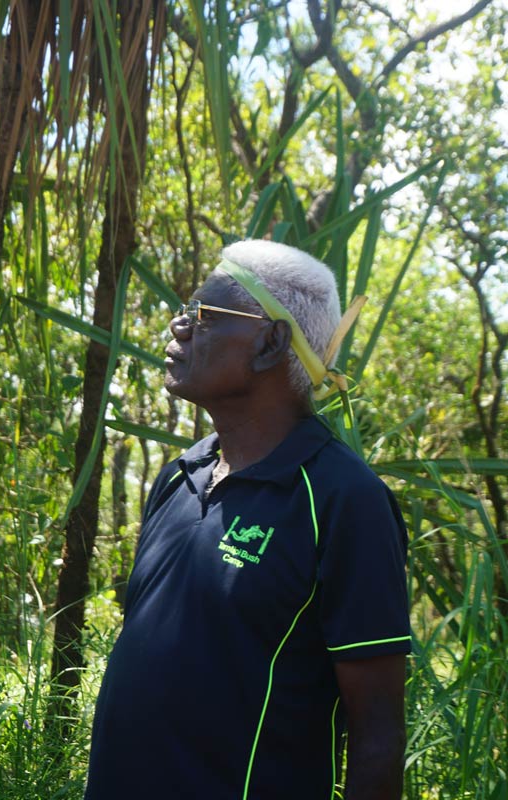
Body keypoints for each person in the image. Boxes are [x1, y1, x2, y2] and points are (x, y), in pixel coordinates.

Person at [84, 239, 411, 800]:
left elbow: (378, 735)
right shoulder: (178, 476)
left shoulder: (342, 500)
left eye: (205, 314)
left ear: (270, 344)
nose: (179, 325)